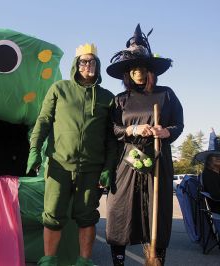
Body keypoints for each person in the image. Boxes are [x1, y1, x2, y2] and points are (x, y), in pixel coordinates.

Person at [26, 43, 117, 266]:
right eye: (84, 61)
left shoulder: (107, 97)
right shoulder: (59, 89)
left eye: (92, 61)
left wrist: (108, 167)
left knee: (87, 218)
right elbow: (43, 121)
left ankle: (84, 262)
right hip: (58, 164)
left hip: (91, 168)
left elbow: (112, 138)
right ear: (76, 65)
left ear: (98, 64)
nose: (88, 65)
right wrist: (35, 150)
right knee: (53, 216)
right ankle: (49, 260)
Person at [105, 24, 184, 265]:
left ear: (150, 71)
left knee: (156, 212)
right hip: (128, 161)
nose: (138, 72)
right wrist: (131, 128)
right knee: (120, 210)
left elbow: (178, 124)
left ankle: (155, 259)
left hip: (158, 159)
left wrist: (165, 131)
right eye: (133, 69)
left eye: (142, 68)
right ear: (127, 74)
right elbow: (113, 130)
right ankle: (119, 260)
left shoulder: (166, 94)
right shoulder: (120, 100)